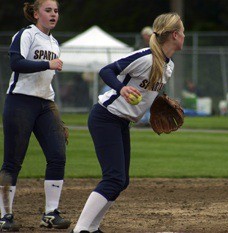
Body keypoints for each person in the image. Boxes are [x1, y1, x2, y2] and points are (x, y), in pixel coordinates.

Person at [70, 12, 185, 233]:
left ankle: (92, 228)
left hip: (121, 122)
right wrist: (120, 88)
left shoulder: (168, 66)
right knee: (113, 178)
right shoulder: (146, 57)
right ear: (174, 35)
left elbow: (146, 91)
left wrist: (157, 103)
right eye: (182, 32)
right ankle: (81, 229)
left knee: (121, 181)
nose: (184, 36)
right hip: (106, 117)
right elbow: (107, 71)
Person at [0, 0, 71, 231]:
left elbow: (46, 80)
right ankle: (4, 217)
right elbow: (16, 63)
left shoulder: (54, 42)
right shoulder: (26, 34)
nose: (53, 14)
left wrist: (57, 117)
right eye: (48, 10)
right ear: (35, 13)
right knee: (13, 161)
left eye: (56, 11)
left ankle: (50, 214)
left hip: (45, 104)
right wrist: (47, 63)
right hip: (20, 101)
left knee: (58, 155)